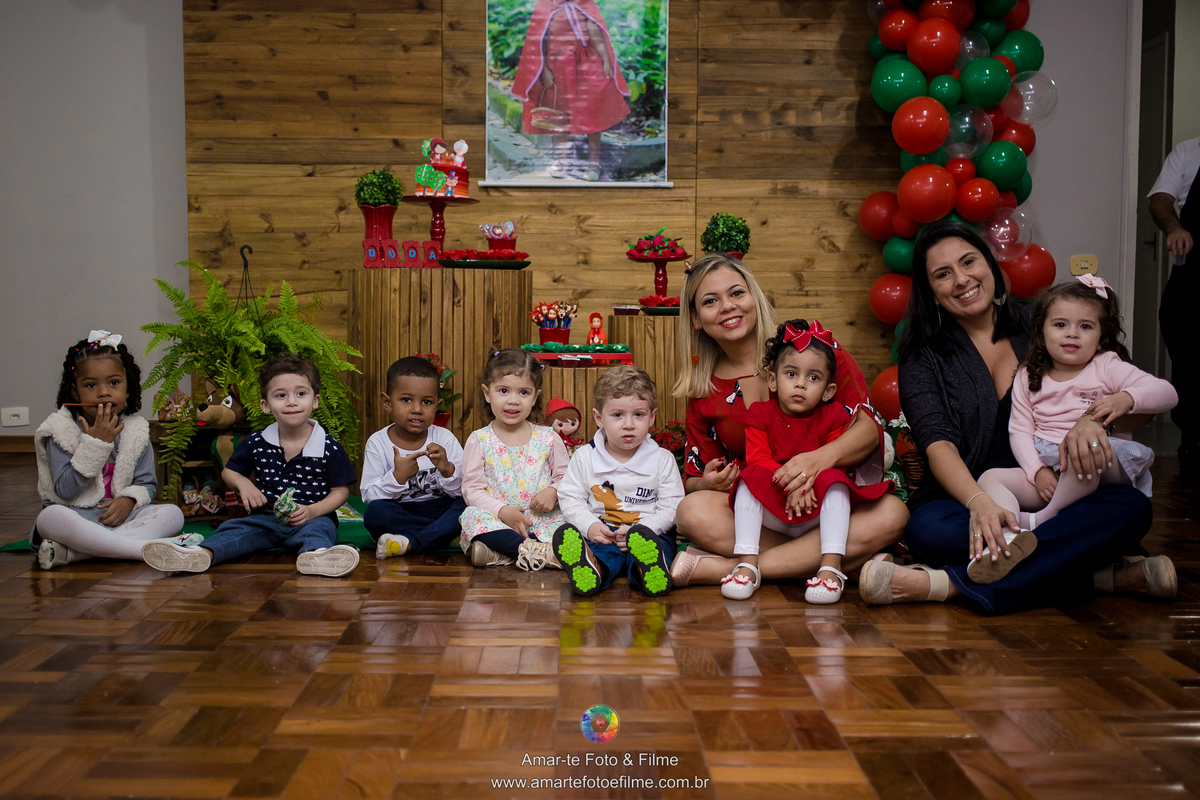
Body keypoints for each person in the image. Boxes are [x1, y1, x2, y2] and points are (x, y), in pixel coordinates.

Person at [860, 222, 1171, 612]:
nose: (962, 279)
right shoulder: (922, 355)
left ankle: (948, 584)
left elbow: (1137, 404)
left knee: (1131, 508)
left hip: (1065, 488)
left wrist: (1093, 422)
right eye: (943, 274)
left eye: (968, 262)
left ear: (989, 264)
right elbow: (937, 444)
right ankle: (1094, 574)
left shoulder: (1048, 323)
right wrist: (979, 503)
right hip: (968, 495)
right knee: (930, 529)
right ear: (932, 292)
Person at [668, 254, 908, 588]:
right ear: (696, 318)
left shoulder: (815, 349)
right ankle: (843, 563)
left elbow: (868, 429)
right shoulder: (704, 390)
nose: (727, 306)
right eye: (711, 301)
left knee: (893, 514)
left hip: (830, 501)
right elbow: (694, 479)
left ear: (754, 297)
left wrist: (816, 462)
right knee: (692, 512)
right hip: (762, 512)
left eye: (736, 293)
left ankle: (729, 569)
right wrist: (709, 483)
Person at [972, 277, 1176, 583]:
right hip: (1052, 468)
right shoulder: (1028, 376)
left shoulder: (1107, 365)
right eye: (1060, 324)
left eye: (1085, 326)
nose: (1072, 334)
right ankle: (1010, 535)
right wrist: (1037, 471)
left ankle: (1042, 522)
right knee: (990, 477)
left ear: (1101, 336)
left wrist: (1126, 398)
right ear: (1041, 331)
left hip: (1103, 462)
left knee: (1085, 452)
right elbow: (1020, 431)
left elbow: (1168, 393)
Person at [141, 354, 360, 578]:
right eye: (281, 395)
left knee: (320, 531)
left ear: (315, 401)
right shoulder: (258, 441)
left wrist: (313, 511)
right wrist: (244, 484)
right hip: (265, 518)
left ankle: (318, 556)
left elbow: (340, 491)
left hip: (311, 518)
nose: (291, 402)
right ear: (265, 405)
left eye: (301, 394)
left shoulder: (329, 447)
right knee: (236, 529)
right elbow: (229, 472)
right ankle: (200, 554)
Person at [727, 320, 893, 603]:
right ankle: (747, 565)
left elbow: (834, 465)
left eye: (813, 378)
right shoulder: (759, 414)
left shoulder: (834, 417)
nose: (801, 384)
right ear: (772, 380)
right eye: (791, 374)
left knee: (836, 481)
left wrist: (804, 487)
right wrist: (793, 485)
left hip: (817, 507)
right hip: (775, 504)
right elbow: (758, 459)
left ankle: (830, 568)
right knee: (748, 479)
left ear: (828, 391)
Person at [32, 331, 185, 568]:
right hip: (74, 516)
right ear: (75, 392)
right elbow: (65, 491)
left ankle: (80, 553)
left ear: (128, 388)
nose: (103, 392)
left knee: (173, 513)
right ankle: (138, 550)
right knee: (49, 518)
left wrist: (129, 500)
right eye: (91, 385)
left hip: (122, 519)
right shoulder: (59, 430)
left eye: (114, 383)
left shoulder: (136, 430)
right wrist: (95, 445)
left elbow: (146, 484)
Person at [553, 365, 684, 597]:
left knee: (661, 547)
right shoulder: (585, 457)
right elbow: (570, 497)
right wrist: (590, 526)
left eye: (639, 414)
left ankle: (649, 571)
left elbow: (672, 505)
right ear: (599, 418)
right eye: (618, 415)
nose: (629, 424)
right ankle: (592, 570)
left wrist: (644, 529)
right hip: (604, 533)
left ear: (652, 417)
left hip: (648, 531)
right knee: (600, 552)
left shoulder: (662, 459)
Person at [458, 348, 568, 571]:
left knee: (572, 523)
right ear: (487, 393)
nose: (513, 400)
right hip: (500, 521)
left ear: (535, 397)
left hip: (542, 519)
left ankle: (501, 554)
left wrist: (553, 491)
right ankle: (537, 552)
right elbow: (472, 490)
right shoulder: (479, 439)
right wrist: (501, 511)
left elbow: (568, 478)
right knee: (471, 515)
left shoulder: (548, 438)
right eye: (503, 391)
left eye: (524, 392)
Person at [511, 0, 631, 180]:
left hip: (587, 64)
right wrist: (544, 71)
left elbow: (595, 33)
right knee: (561, 113)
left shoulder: (584, 3)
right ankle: (565, 160)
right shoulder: (545, 6)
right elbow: (539, 41)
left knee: (592, 111)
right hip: (559, 66)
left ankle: (594, 163)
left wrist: (606, 61)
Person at [361, 356, 466, 560]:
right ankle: (443, 535)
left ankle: (410, 542)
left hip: (440, 508)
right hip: (402, 512)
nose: (417, 409)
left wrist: (447, 469)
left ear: (437, 405)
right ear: (387, 402)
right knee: (375, 513)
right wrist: (397, 477)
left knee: (468, 506)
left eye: (426, 402)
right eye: (406, 400)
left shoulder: (444, 438)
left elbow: (463, 490)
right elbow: (369, 495)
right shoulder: (378, 442)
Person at [1149, 136, 1200, 460]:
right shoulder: (1188, 151)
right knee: (1187, 349)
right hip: (1192, 276)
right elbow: (1160, 200)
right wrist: (1175, 228)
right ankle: (1193, 436)